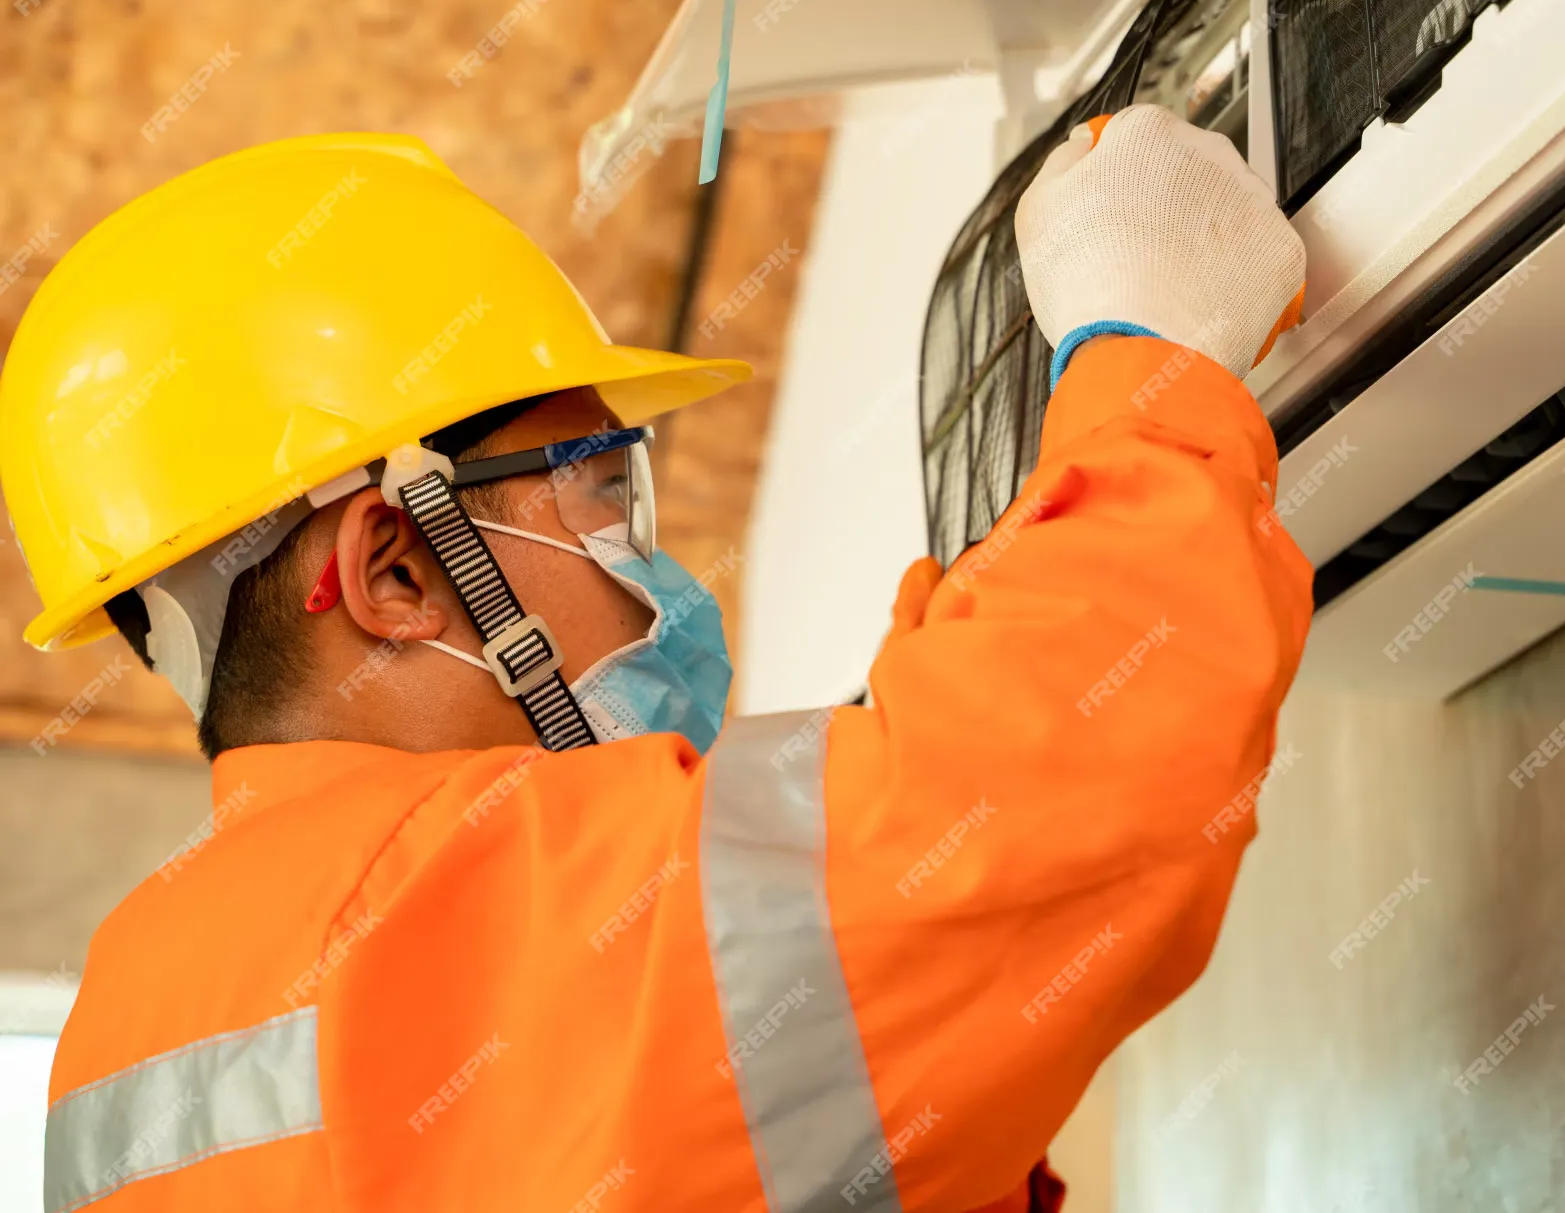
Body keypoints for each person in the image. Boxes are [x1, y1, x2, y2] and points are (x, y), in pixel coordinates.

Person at [1, 104, 1311, 1212]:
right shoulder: (442, 915)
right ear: (396, 570)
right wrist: (1152, 365)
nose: (657, 585)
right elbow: (1053, 795)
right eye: (598, 497)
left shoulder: (133, 1022)